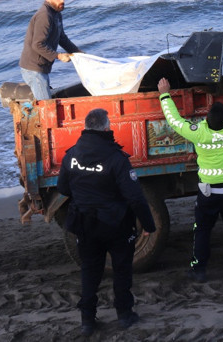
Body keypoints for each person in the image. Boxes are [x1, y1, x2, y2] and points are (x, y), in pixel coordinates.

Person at [56, 108, 156, 337]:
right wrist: (149, 225)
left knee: (90, 272)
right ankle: (124, 315)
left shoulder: (71, 155)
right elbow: (135, 197)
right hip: (116, 225)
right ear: (105, 127)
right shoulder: (116, 158)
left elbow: (63, 188)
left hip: (85, 225)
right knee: (121, 270)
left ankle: (87, 321)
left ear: (87, 127)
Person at [157, 53, 223, 283]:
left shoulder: (199, 132)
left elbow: (174, 121)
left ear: (206, 121)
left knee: (202, 230)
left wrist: (164, 95)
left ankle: (198, 270)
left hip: (209, 194)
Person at [19, 0, 83, 100]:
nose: (62, 0)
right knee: (48, 108)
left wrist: (80, 53)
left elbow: (62, 38)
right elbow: (37, 44)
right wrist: (59, 56)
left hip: (42, 68)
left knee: (46, 103)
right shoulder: (45, 15)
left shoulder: (56, 14)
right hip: (33, 69)